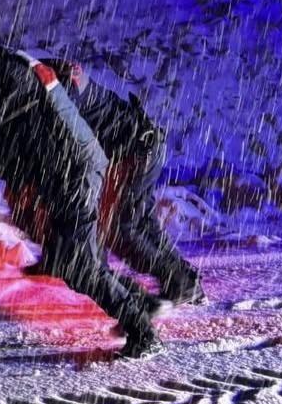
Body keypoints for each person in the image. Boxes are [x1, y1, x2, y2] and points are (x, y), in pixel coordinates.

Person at [0, 7, 164, 357]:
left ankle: (143, 332)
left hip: (73, 168)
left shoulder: (8, 74)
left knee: (79, 265)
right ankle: (139, 302)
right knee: (66, 261)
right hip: (52, 173)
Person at [39, 58, 205, 304]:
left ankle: (179, 281)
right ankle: (184, 281)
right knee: (138, 222)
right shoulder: (64, 80)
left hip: (134, 152)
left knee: (122, 228)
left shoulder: (58, 90)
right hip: (144, 145)